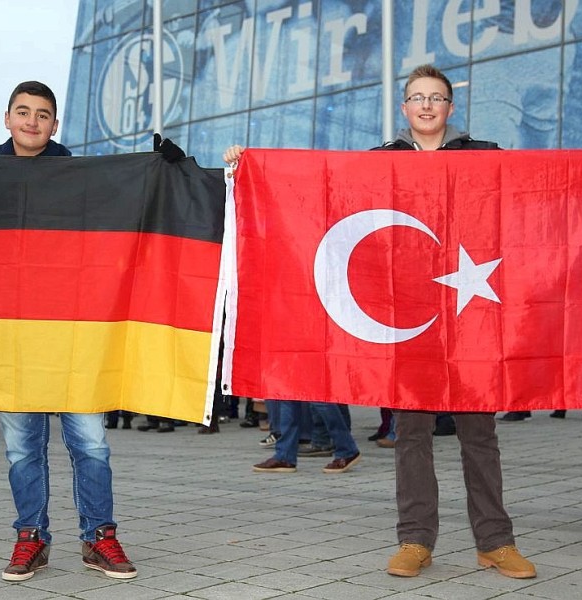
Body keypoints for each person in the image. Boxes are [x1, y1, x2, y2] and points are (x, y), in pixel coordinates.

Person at [225, 64, 534, 578]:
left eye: (437, 98)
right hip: (407, 320)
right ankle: (415, 540)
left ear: (451, 108)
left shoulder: (484, 156)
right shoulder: (380, 162)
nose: (427, 106)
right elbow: (322, 190)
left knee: (479, 433)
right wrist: (249, 165)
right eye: (418, 97)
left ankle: (495, 542)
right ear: (404, 108)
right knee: (411, 432)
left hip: (470, 317)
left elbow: (546, 182)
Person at [0, 81, 184, 582]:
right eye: (23, 112)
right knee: (22, 447)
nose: (32, 121)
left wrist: (165, 170)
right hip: (13, 336)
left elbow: (129, 197)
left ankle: (100, 536)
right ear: (7, 119)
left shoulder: (80, 178)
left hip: (75, 331)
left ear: (55, 126)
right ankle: (29, 537)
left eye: (42, 115)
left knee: (91, 442)